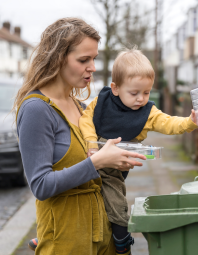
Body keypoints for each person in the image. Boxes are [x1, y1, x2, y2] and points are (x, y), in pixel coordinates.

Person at [14, 18, 146, 255]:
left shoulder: (82, 107)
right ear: (57, 59)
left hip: (103, 237)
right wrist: (98, 162)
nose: (92, 67)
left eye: (94, 58)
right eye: (83, 59)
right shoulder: (37, 109)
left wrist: (118, 160)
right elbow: (41, 186)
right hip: (67, 242)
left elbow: (98, 176)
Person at [77, 47, 198, 255]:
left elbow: (169, 123)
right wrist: (91, 144)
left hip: (112, 170)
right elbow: (85, 119)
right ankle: (51, 236)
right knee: (76, 197)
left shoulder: (148, 113)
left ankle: (121, 240)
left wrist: (190, 122)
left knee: (116, 203)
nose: (141, 99)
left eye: (146, 92)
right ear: (115, 88)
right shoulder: (102, 101)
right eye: (134, 93)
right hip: (89, 157)